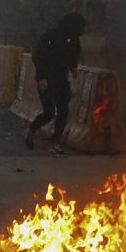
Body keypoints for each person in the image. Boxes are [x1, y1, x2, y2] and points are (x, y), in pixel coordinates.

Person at [24, 12, 86, 155]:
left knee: (63, 111)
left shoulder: (74, 39)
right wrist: (41, 77)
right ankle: (31, 129)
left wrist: (73, 67)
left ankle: (55, 143)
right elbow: (38, 55)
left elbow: (74, 54)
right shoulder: (51, 36)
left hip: (61, 79)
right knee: (49, 112)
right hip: (47, 78)